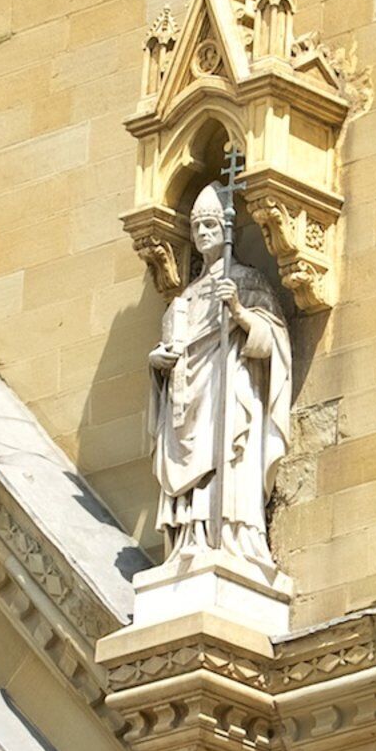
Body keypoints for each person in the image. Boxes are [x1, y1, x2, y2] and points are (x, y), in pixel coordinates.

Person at [146, 185, 294, 577]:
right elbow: (174, 347)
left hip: (228, 385)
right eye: (198, 228)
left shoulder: (245, 280)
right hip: (187, 397)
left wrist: (239, 311)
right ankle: (190, 541)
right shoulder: (187, 297)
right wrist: (158, 363)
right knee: (190, 459)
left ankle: (231, 536)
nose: (204, 234)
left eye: (212, 225)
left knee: (228, 450)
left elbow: (272, 340)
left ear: (226, 231)